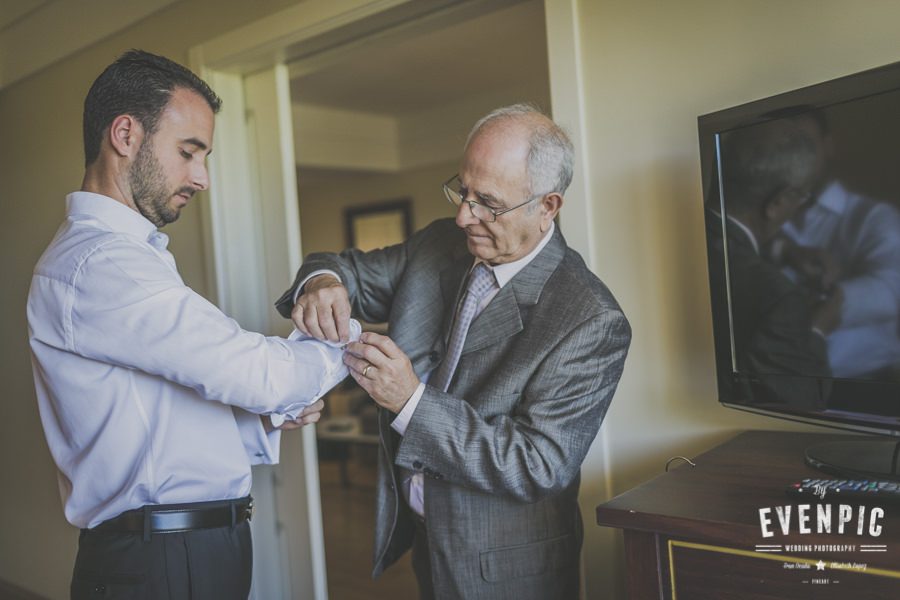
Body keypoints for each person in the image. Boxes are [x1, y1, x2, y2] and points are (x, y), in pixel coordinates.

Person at [27, 50, 352, 600]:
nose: (202, 178)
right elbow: (254, 372)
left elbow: (157, 423)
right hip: (160, 562)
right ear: (125, 134)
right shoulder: (102, 264)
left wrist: (266, 422)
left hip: (182, 552)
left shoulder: (128, 257)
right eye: (188, 152)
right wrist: (347, 342)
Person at [276, 104, 632, 599]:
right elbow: (341, 267)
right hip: (428, 542)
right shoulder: (440, 245)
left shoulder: (590, 319)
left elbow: (537, 463)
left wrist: (409, 401)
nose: (464, 215)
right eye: (461, 190)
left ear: (547, 206)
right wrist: (322, 283)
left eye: (488, 202)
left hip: (507, 567)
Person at [707, 118, 836, 405]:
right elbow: (806, 403)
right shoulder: (780, 297)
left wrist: (784, 250)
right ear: (778, 202)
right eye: (802, 196)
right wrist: (817, 330)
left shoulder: (696, 234)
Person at [774, 109, 900, 378]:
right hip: (778, 384)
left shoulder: (873, 217)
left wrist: (822, 302)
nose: (795, 156)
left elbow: (892, 290)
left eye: (805, 144)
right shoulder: (764, 221)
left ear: (828, 146)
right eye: (784, 147)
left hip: (866, 386)